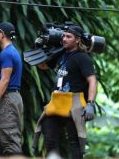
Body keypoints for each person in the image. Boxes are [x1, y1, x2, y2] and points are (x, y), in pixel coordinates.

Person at [34, 25, 97, 158]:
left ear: (78, 40)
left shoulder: (82, 58)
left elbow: (92, 80)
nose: (64, 39)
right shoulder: (60, 54)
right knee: (50, 140)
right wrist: (38, 47)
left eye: (69, 36)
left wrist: (91, 103)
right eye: (63, 36)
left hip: (74, 105)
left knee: (74, 143)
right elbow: (42, 66)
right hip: (57, 102)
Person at [0, 21, 23, 156]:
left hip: (8, 98)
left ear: (2, 34)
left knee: (10, 140)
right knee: (7, 138)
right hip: (12, 97)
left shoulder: (7, 54)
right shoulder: (12, 52)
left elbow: (5, 79)